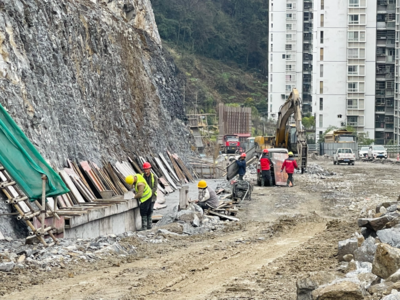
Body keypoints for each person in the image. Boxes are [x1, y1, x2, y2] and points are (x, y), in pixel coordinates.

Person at [141, 162, 158, 229]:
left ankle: (149, 226)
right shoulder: (142, 176)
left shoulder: (154, 177)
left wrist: (150, 193)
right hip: (144, 197)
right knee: (144, 210)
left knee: (150, 210)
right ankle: (144, 227)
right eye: (145, 169)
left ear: (150, 169)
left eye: (147, 169)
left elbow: (155, 187)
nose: (146, 171)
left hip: (152, 197)